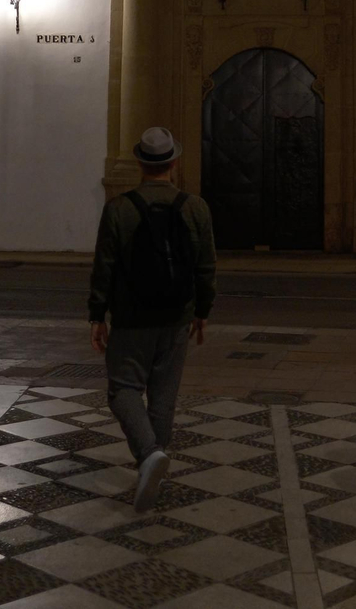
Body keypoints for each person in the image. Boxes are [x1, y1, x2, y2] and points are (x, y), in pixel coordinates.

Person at [88, 126, 217, 511]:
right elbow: (206, 266)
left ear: (140, 163)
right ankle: (152, 465)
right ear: (174, 163)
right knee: (163, 396)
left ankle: (148, 455)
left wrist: (97, 315)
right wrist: (202, 311)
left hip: (131, 316)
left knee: (123, 388)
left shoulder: (119, 208)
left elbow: (104, 266)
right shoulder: (195, 207)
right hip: (177, 316)